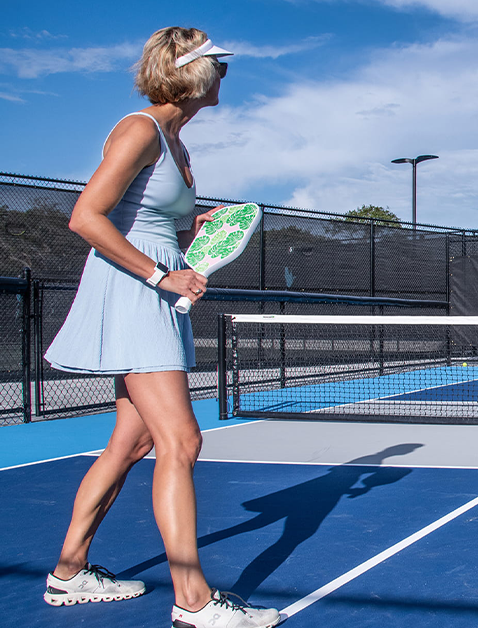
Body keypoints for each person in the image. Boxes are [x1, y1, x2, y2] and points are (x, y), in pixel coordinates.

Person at [41, 28, 281, 627]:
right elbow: (86, 216)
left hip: (154, 291)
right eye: (218, 65)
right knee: (182, 441)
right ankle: (194, 602)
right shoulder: (139, 129)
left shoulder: (176, 143)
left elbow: (149, 222)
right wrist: (159, 275)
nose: (225, 73)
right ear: (190, 73)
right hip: (135, 293)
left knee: (134, 441)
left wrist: (193, 225)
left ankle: (68, 573)